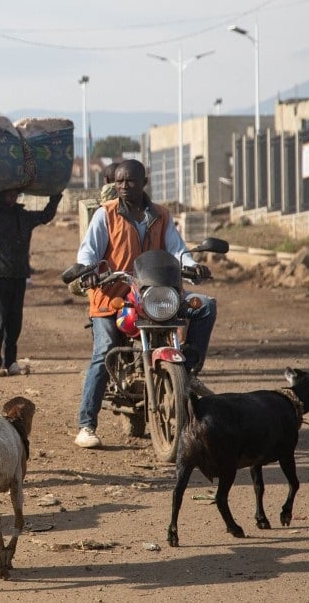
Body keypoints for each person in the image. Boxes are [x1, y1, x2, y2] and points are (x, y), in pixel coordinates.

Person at [72, 159, 217, 450]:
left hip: (157, 294)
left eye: (131, 181)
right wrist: (86, 270)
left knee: (205, 305)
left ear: (144, 183)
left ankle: (186, 370)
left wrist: (192, 264)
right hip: (112, 296)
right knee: (105, 351)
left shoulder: (161, 215)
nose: (124, 186)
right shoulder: (106, 215)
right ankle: (86, 424)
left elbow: (177, 249)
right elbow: (89, 251)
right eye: (120, 181)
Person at [0, 182, 62, 377]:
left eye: (14, 193)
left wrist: (55, 195)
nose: (12, 196)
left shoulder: (23, 216)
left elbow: (45, 216)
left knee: (15, 321)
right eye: (8, 193)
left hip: (19, 273)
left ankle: (11, 361)